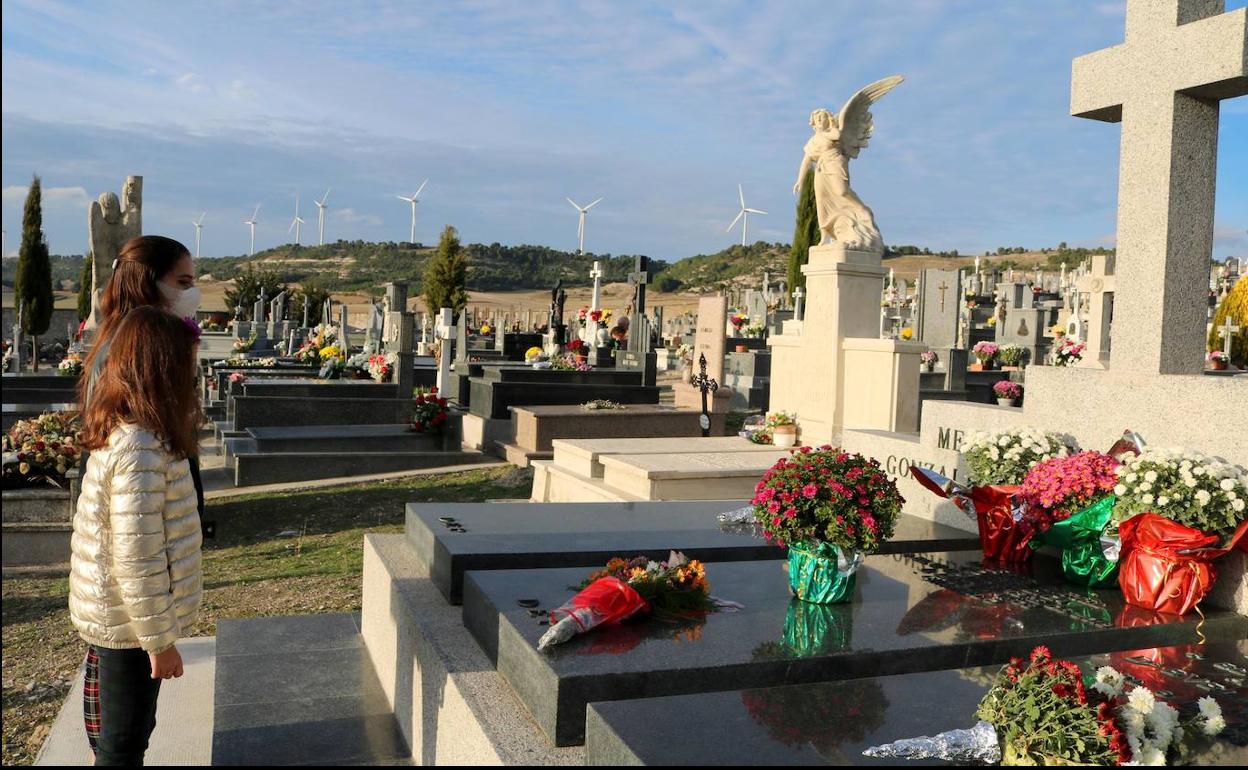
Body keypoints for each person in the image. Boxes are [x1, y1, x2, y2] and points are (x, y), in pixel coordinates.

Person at [71, 306, 203, 765]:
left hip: (126, 620)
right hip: (129, 625)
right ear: (163, 369)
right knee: (123, 744)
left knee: (126, 735)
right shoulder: (140, 447)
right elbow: (136, 556)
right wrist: (160, 642)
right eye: (188, 366)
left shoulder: (138, 434)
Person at [79, 235, 204, 515]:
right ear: (147, 283)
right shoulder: (135, 348)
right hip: (141, 498)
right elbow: (144, 440)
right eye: (183, 283)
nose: (193, 292)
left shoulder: (123, 335)